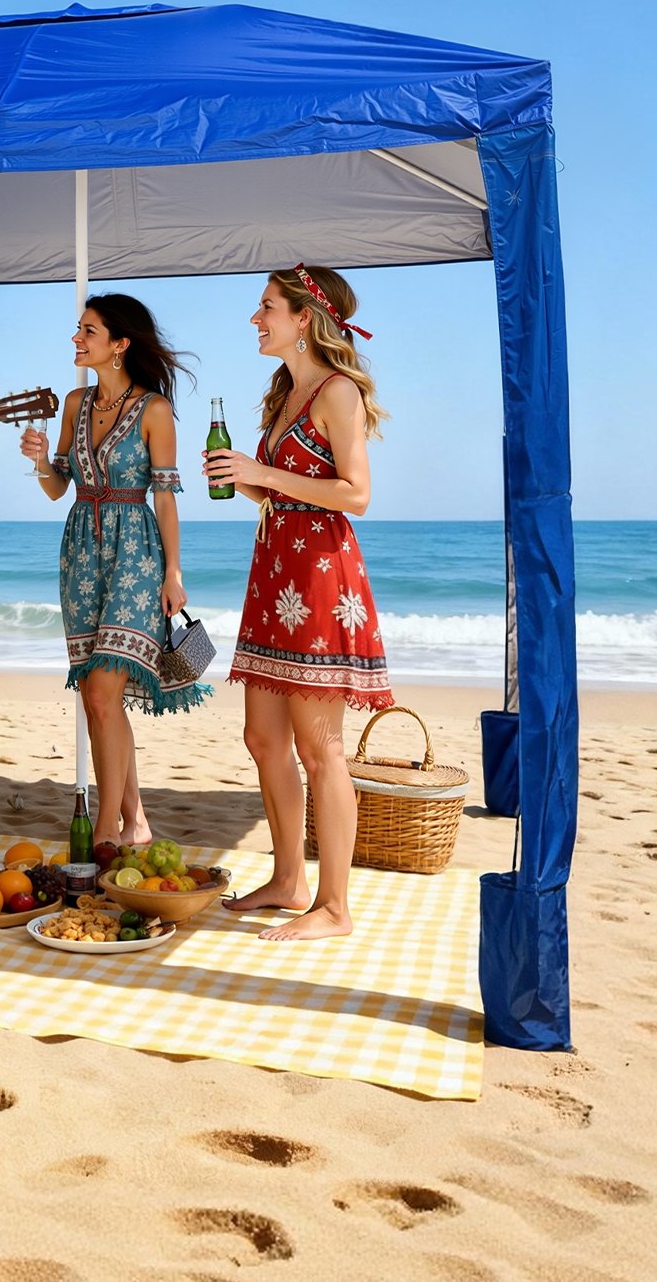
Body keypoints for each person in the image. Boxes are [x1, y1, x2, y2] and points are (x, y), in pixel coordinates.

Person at [203, 263, 392, 942]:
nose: (256, 319)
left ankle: (335, 909)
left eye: (267, 308)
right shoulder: (284, 393)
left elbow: (356, 496)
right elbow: (288, 488)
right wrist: (246, 482)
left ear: (303, 318)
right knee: (262, 738)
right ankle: (289, 879)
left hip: (318, 579)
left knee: (321, 749)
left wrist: (262, 472)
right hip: (274, 574)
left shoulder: (337, 393)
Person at [21, 294, 207, 850]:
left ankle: (104, 833)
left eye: (88, 331)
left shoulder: (154, 410)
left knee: (104, 693)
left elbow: (168, 497)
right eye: (79, 330)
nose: (77, 339)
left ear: (120, 344)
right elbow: (59, 488)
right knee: (98, 700)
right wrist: (38, 464)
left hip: (136, 555)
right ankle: (137, 822)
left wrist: (174, 572)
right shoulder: (75, 403)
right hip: (80, 551)